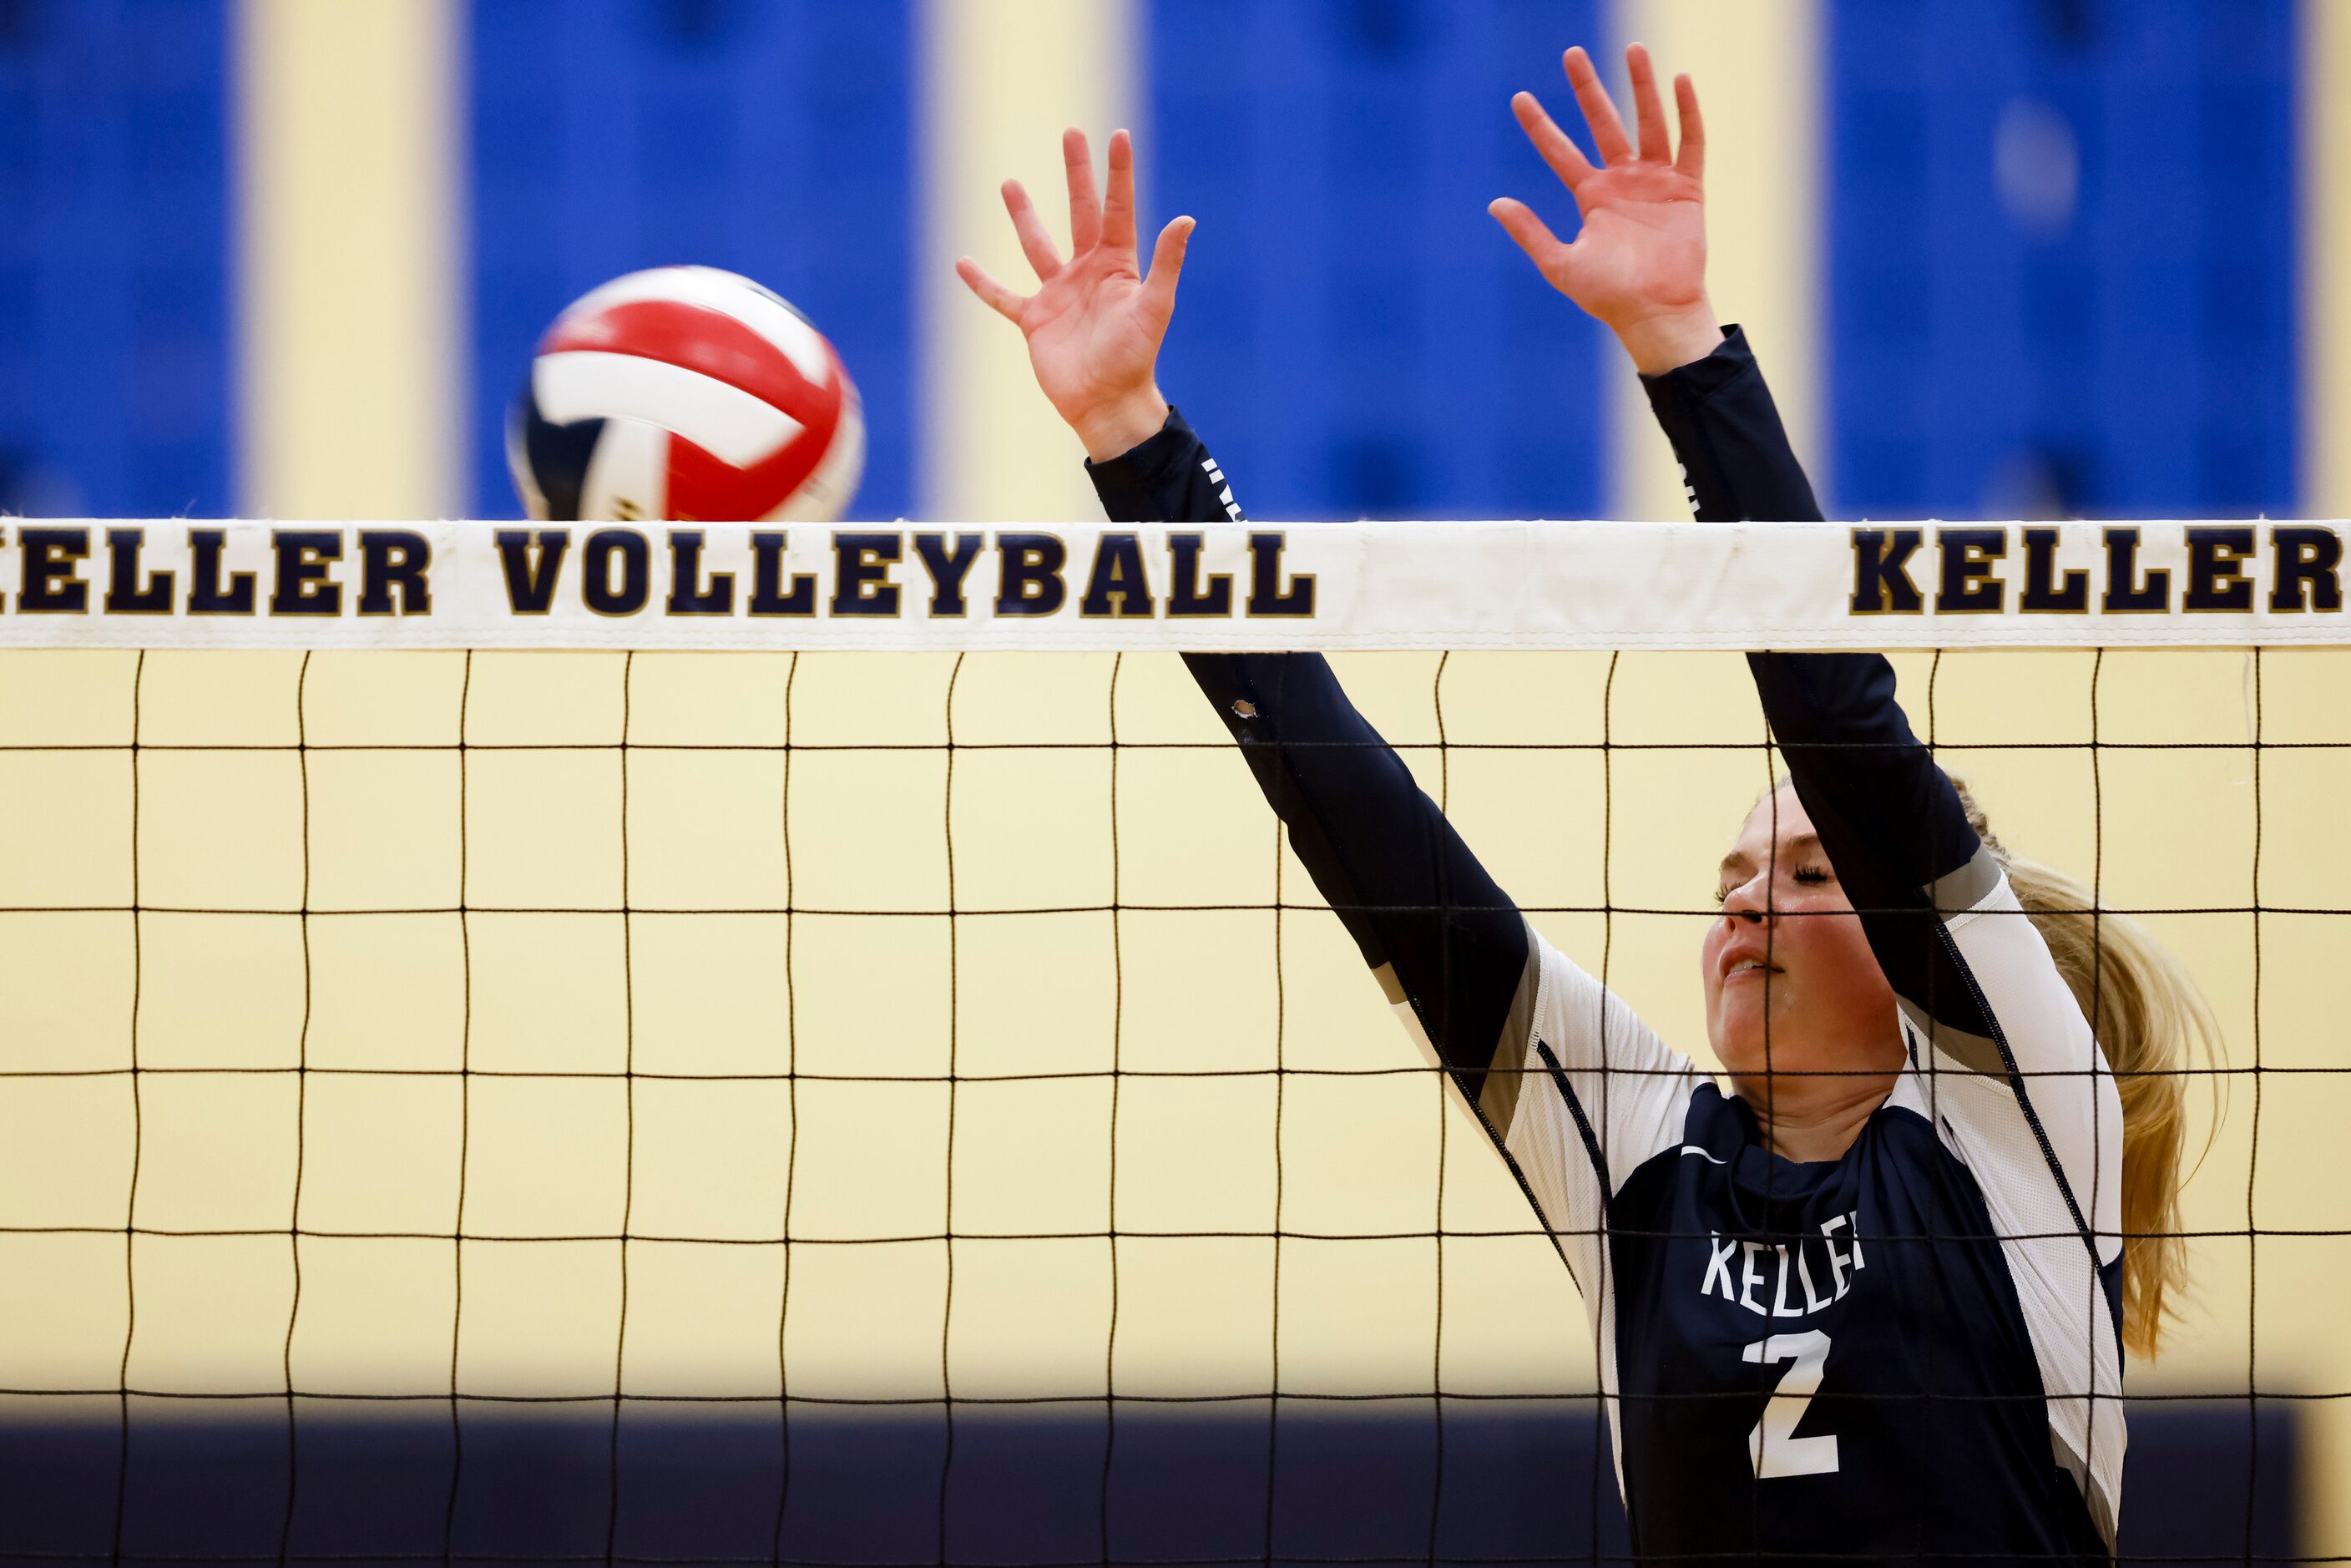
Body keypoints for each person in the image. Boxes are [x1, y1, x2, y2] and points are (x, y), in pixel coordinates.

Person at [958, 43, 2217, 1562]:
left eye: (1812, 875)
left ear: (1911, 930)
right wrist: (1134, 446)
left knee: (1839, 739)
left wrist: (1686, 349)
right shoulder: (1636, 1148)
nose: (1749, 897)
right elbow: (1351, 811)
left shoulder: (2019, 1113)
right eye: (1734, 875)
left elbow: (1842, 721)